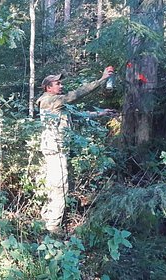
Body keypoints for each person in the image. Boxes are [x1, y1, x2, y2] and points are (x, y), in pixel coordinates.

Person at [36, 66, 114, 233]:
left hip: (58, 150)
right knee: (60, 186)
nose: (61, 86)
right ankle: (53, 226)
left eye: (60, 83)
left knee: (55, 185)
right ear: (48, 87)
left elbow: (77, 114)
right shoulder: (49, 100)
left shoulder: (57, 104)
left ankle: (47, 218)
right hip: (55, 150)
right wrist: (102, 80)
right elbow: (77, 94)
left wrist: (100, 114)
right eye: (57, 83)